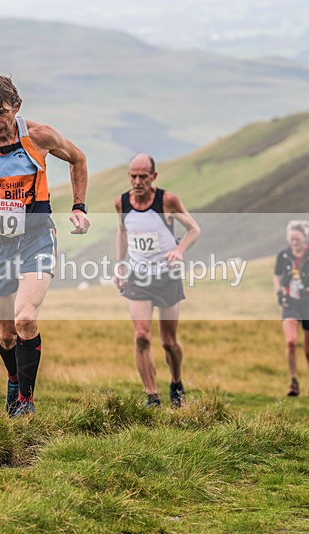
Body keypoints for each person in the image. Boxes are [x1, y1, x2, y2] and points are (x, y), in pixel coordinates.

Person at [0, 75, 91, 417]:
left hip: (36, 237)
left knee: (25, 319)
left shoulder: (40, 136)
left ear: (17, 108)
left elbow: (78, 158)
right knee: (7, 334)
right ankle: (13, 377)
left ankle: (25, 401)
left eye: (3, 113)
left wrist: (79, 205)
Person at [114, 154, 201, 408]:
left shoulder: (167, 201)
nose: (137, 181)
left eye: (143, 176)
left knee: (168, 342)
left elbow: (194, 229)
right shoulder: (121, 203)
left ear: (154, 177)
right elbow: (122, 232)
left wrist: (179, 250)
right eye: (133, 176)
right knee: (141, 336)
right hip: (138, 276)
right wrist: (120, 266)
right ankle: (152, 396)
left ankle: (175, 382)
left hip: (167, 276)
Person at [273, 220, 309, 398]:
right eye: (291, 239)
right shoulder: (283, 255)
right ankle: (294, 382)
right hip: (290, 303)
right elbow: (276, 274)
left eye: (297, 239)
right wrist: (279, 291)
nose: (294, 243)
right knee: (290, 341)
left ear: (305, 238)